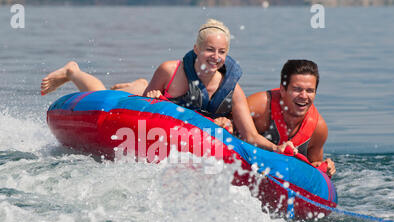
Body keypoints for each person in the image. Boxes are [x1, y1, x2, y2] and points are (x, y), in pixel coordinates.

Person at [41, 19, 293, 154]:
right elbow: (141, 108)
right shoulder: (170, 71)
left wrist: (277, 148)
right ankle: (72, 71)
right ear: (196, 50)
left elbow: (250, 136)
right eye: (209, 50)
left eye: (221, 52)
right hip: (154, 105)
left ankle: (134, 83)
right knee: (104, 93)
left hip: (187, 129)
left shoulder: (233, 90)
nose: (215, 56)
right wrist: (151, 95)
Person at [246, 59, 336, 177]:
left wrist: (325, 168)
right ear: (283, 90)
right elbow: (226, 132)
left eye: (310, 91)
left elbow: (314, 166)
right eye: (297, 89)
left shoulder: (318, 128)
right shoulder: (259, 107)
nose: (303, 96)